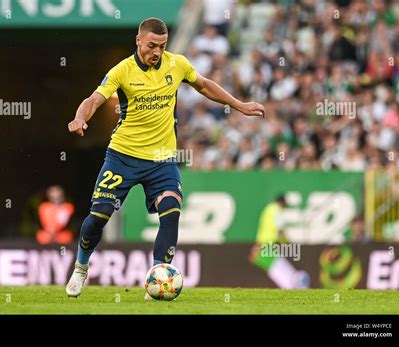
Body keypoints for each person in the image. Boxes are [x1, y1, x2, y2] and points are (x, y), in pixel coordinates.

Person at [65, 17, 265, 298]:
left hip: (162, 159)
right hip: (123, 156)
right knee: (99, 217)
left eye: (161, 46)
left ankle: (158, 277)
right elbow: (94, 99)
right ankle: (81, 266)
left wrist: (239, 105)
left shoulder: (177, 64)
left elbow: (205, 85)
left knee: (171, 211)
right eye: (151, 45)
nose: (156, 52)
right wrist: (79, 117)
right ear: (138, 41)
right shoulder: (122, 71)